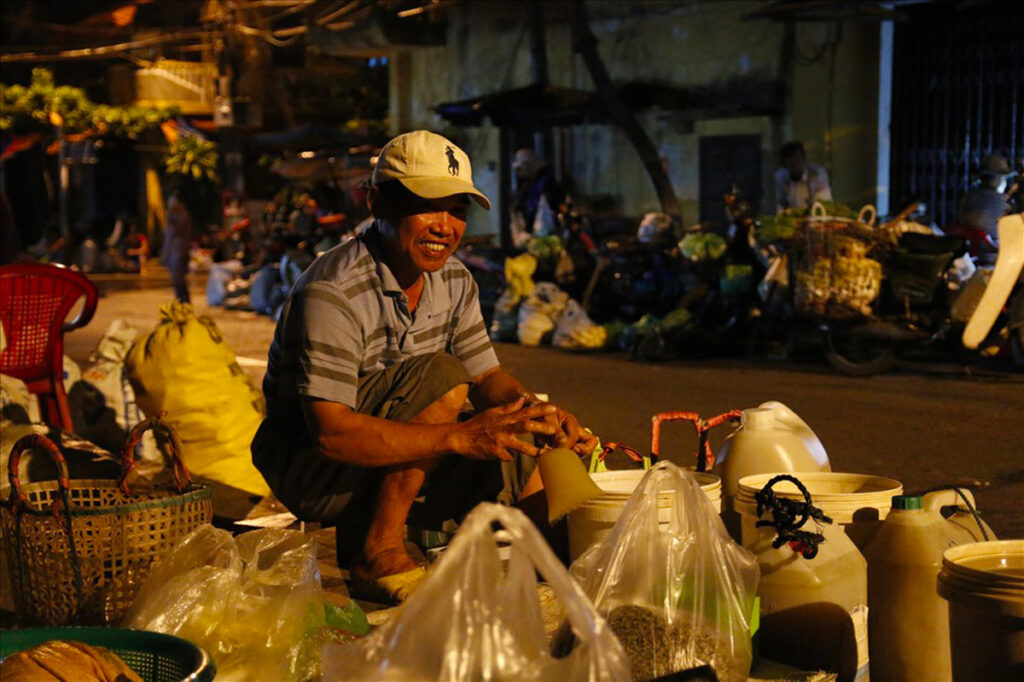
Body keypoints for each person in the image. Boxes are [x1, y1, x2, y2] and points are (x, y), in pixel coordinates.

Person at [251, 130, 597, 602]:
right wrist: (456, 436)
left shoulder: (454, 280)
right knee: (441, 377)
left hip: (390, 450)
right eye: (427, 205)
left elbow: (488, 379)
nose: (445, 226)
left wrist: (536, 414)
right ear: (378, 203)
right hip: (312, 468)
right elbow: (331, 434)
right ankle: (379, 548)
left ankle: (548, 553)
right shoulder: (332, 291)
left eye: (457, 210)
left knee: (512, 430)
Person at [510, 148, 564, 246]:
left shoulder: (545, 182)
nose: (521, 173)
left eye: (522, 168)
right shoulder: (529, 184)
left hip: (545, 234)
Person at [774, 141, 833, 213]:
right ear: (785, 165)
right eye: (792, 163)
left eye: (799, 160)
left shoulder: (818, 174)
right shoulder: (781, 176)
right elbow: (780, 204)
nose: (796, 165)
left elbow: (824, 204)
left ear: (804, 159)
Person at [162, 192, 193, 303]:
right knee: (177, 281)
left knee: (179, 280)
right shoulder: (173, 218)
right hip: (175, 254)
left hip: (179, 253)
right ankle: (182, 302)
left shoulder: (180, 217)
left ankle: (184, 303)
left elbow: (175, 236)